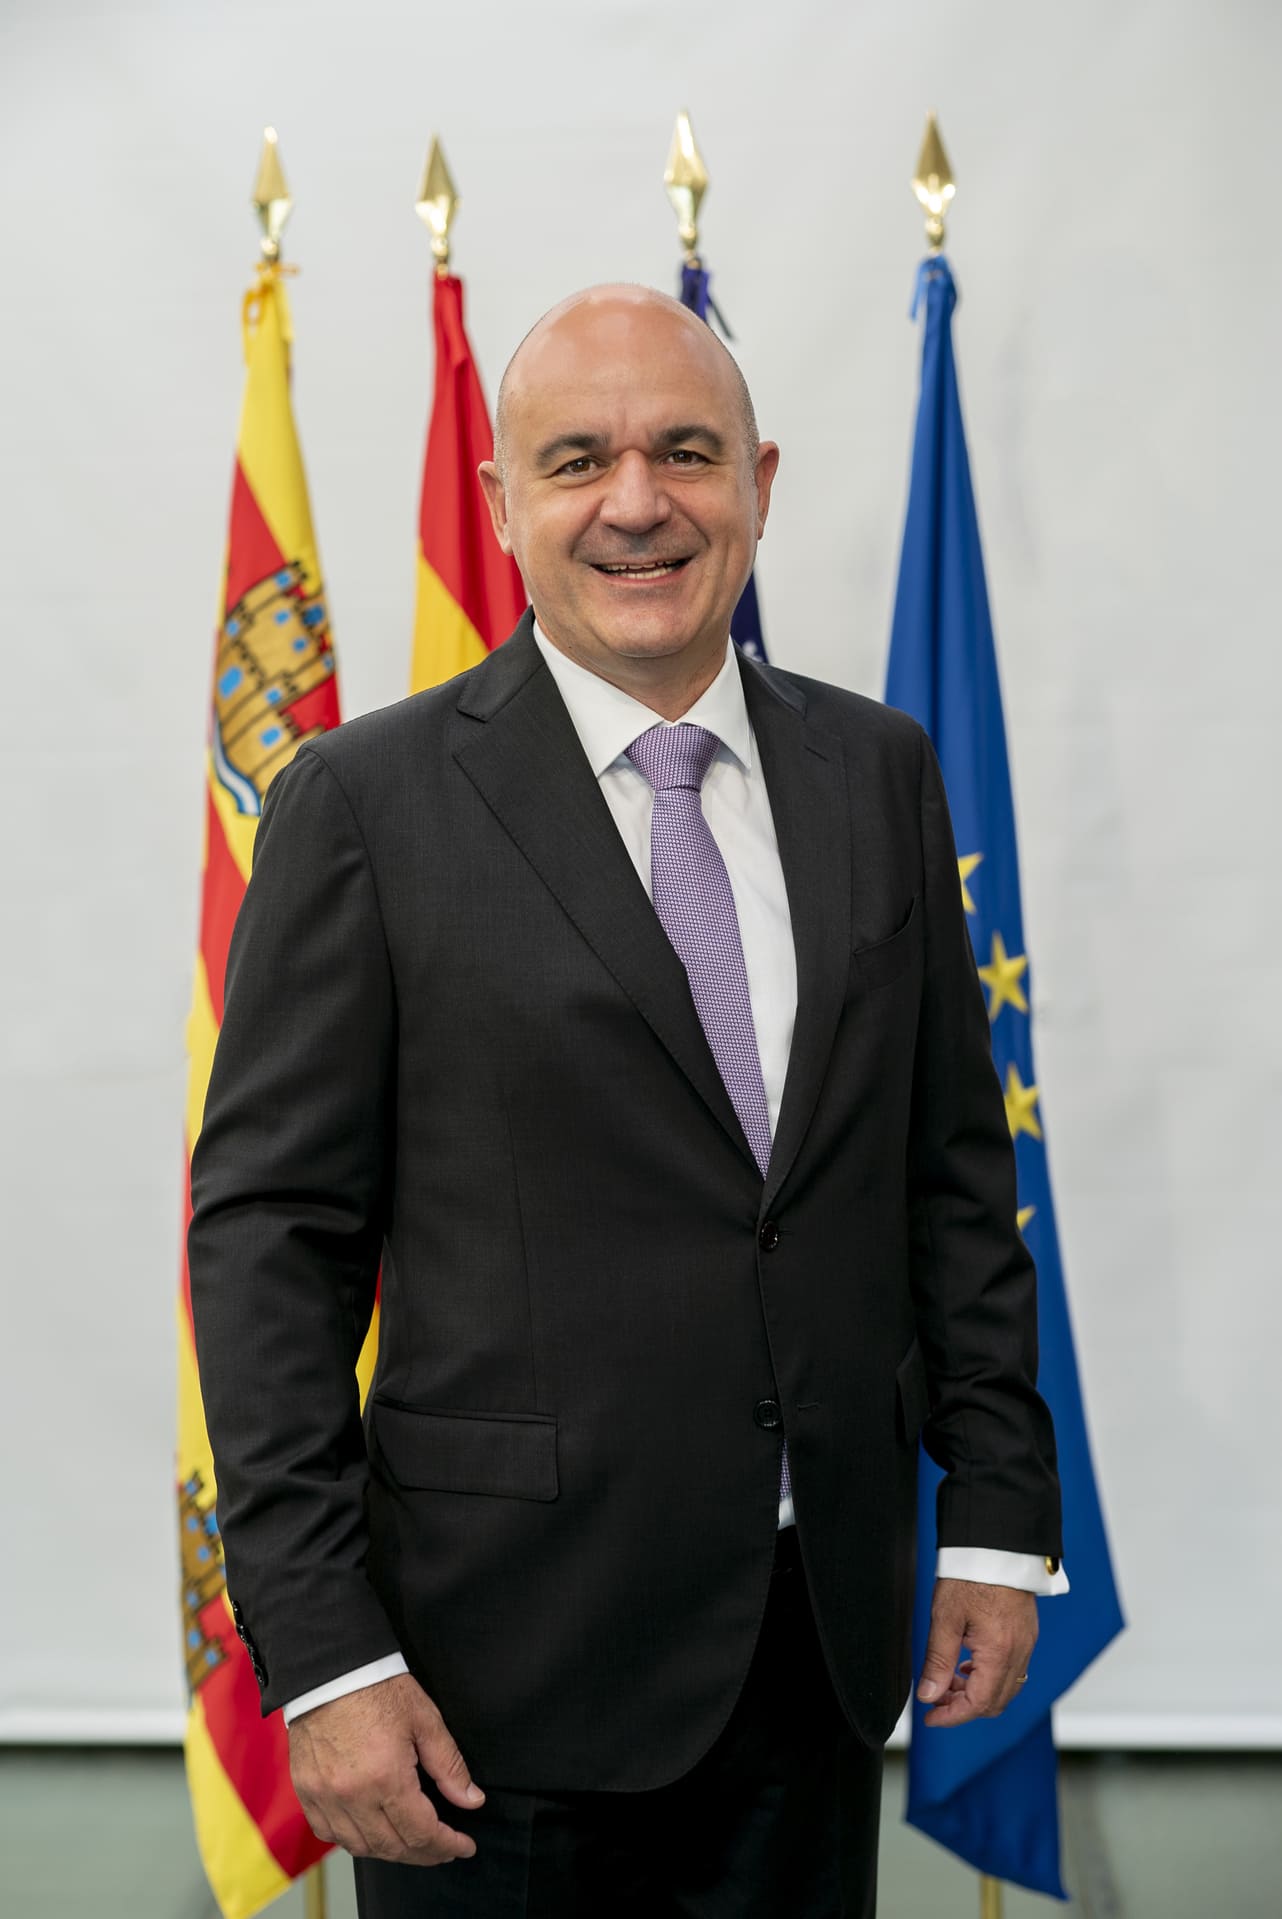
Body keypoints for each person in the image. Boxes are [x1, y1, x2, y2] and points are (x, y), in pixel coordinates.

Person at [188, 285, 1064, 1918]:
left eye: (686, 452)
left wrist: (998, 1525)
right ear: (502, 499)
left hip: (818, 1651)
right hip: (486, 1689)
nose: (637, 503)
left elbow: (948, 1173)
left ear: (759, 482)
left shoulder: (875, 771)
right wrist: (322, 1654)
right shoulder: (363, 803)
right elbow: (270, 1247)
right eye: (578, 460)